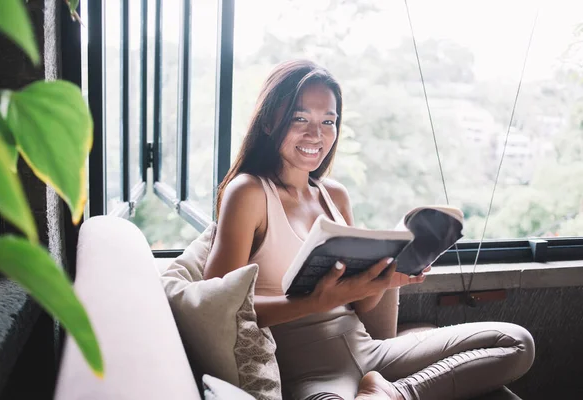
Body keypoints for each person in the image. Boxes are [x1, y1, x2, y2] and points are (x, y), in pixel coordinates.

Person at [204, 60, 534, 400]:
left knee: (516, 342)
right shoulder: (249, 193)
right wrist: (316, 300)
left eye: (328, 121)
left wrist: (385, 278)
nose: (316, 134)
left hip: (371, 352)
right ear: (270, 120)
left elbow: (365, 310)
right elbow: (217, 306)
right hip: (309, 373)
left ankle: (395, 394)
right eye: (300, 118)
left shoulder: (334, 195)